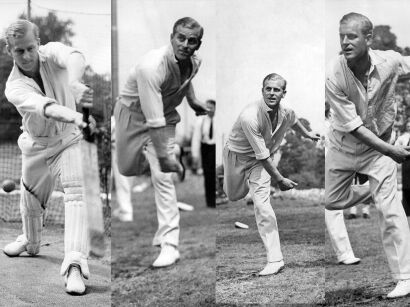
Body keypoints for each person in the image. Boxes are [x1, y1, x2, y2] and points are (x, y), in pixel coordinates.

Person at [3, 20, 94, 295]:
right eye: (20, 51)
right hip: (35, 146)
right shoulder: (14, 87)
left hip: (68, 140)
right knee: (30, 203)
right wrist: (77, 115)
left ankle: (75, 265)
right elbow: (47, 107)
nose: (27, 55)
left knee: (76, 192)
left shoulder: (52, 51)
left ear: (39, 43)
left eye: (31, 47)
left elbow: (75, 57)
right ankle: (30, 243)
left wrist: (76, 82)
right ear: (10, 51)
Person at [325, 12, 410, 298]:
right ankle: (375, 190)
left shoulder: (389, 61)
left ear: (368, 39)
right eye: (342, 36)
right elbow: (357, 128)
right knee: (332, 201)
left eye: (352, 36)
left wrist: (387, 151)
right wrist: (394, 151)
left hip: (380, 149)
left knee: (390, 210)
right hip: (344, 145)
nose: (345, 42)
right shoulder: (334, 73)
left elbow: (407, 64)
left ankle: (405, 277)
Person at [114, 17, 208, 268]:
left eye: (192, 41)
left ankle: (170, 245)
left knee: (162, 178)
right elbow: (151, 120)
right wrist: (167, 159)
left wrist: (193, 101)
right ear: (171, 37)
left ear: (198, 44)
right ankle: (168, 156)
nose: (186, 45)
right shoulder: (151, 67)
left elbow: (185, 80)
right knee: (126, 169)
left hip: (165, 118)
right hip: (131, 116)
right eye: (181, 38)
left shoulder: (195, 61)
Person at [223, 73, 319, 276]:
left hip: (259, 163)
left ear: (284, 93)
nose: (272, 93)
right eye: (268, 89)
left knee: (262, 205)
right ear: (262, 90)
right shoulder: (249, 116)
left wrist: (308, 134)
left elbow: (294, 122)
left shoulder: (287, 112)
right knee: (233, 195)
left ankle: (275, 260)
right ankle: (243, 187)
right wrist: (280, 179)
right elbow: (264, 156)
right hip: (237, 157)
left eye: (277, 89)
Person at [324, 102, 361, 265]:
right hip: (328, 167)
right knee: (333, 209)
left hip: (338, 166)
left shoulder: (334, 119)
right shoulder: (324, 125)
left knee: (334, 209)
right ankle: (344, 254)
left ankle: (345, 254)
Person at [191, 99, 216, 207]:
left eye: (211, 107)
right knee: (208, 175)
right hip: (206, 149)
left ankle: (216, 198)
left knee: (215, 174)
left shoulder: (218, 120)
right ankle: (209, 202)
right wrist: (195, 155)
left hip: (215, 148)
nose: (209, 109)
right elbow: (196, 138)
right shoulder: (201, 121)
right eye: (207, 107)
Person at [395, 120, 410, 215]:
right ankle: (407, 209)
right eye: (408, 125)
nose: (409, 127)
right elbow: (396, 147)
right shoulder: (402, 137)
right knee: (407, 186)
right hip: (407, 163)